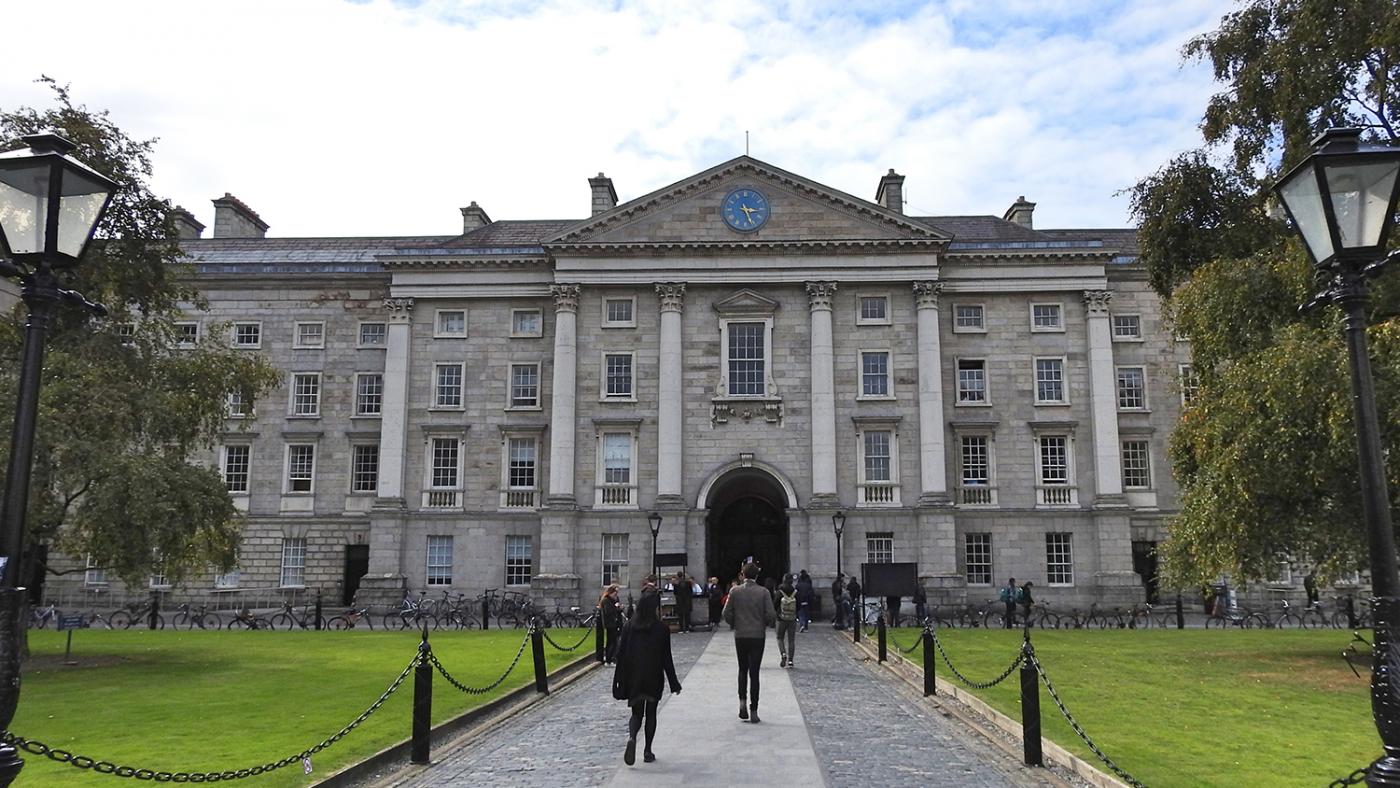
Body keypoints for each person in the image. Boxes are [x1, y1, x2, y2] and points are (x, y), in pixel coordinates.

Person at [612, 590, 681, 766]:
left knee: (636, 713)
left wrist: (619, 678)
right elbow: (667, 658)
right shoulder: (661, 629)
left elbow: (620, 654)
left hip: (633, 675)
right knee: (651, 714)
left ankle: (632, 737)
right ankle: (648, 750)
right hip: (653, 675)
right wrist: (674, 683)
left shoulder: (629, 627)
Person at [722, 563, 776, 723]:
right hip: (758, 635)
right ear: (757, 575)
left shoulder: (735, 591)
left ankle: (742, 703)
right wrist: (763, 623)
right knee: (754, 673)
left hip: (740, 635)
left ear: (742, 575)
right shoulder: (763, 592)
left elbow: (726, 613)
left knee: (742, 669)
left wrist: (735, 623)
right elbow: (771, 614)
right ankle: (754, 710)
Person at [776, 576, 798, 668]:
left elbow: (775, 603)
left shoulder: (779, 592)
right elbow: (798, 605)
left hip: (781, 618)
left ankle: (783, 654)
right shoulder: (795, 592)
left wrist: (777, 613)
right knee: (791, 640)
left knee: (780, 638)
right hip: (792, 619)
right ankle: (791, 661)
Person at [599, 584, 622, 664]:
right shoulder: (606, 600)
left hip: (613, 623)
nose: (616, 595)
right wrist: (616, 608)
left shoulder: (612, 600)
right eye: (615, 593)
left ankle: (611, 658)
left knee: (613, 641)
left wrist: (618, 608)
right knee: (611, 642)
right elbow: (608, 611)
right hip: (610, 624)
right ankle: (608, 659)